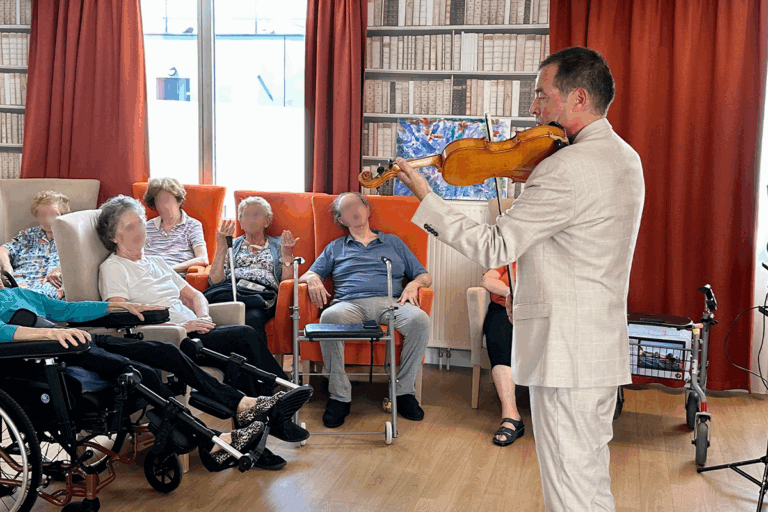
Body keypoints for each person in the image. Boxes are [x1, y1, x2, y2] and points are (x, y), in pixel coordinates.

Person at [397, 47, 645, 511]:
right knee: (589, 480)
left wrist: (426, 198)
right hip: (598, 347)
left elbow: (496, 246)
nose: (533, 109)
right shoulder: (626, 157)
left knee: (569, 491)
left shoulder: (565, 167)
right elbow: (580, 251)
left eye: (541, 95)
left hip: (564, 352)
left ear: (578, 98)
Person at [0, 283, 301, 471]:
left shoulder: (16, 294)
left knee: (164, 353)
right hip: (48, 354)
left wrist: (119, 306)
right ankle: (212, 440)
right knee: (140, 373)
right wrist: (40, 332)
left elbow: (66, 308)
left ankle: (244, 403)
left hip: (77, 340)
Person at [94, 195, 309, 444]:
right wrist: (181, 326)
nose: (139, 231)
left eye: (140, 223)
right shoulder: (114, 268)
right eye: (129, 227)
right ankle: (280, 393)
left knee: (239, 364)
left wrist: (203, 315)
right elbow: (123, 315)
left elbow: (194, 294)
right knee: (244, 335)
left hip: (196, 330)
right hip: (171, 339)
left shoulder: (156, 261)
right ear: (113, 236)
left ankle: (256, 435)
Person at [298, 192, 432, 428]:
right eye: (347, 208)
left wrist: (414, 284)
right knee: (329, 317)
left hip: (391, 302)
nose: (355, 210)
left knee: (420, 320)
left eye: (358, 205)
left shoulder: (393, 242)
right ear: (341, 220)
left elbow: (424, 275)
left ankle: (403, 393)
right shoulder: (335, 247)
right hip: (349, 303)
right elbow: (308, 273)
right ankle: (339, 396)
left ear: (368, 210)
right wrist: (313, 280)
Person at [208, 196, 299, 344]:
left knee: (253, 318)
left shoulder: (278, 245)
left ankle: (250, 366)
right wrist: (222, 248)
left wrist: (287, 256)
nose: (250, 218)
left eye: (256, 214)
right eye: (246, 215)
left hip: (261, 297)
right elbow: (215, 281)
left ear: (267, 221)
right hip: (231, 293)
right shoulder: (232, 244)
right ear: (241, 222)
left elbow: (287, 284)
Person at [480, 265, 524, 446]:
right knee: (498, 335)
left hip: (539, 314)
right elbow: (487, 280)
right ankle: (511, 416)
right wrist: (510, 293)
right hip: (504, 309)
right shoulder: (509, 258)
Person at [0, 190, 70, 299]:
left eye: (53, 215)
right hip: (18, 283)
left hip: (47, 286)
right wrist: (7, 266)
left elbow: (83, 258)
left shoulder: (71, 236)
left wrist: (60, 269)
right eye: (42, 215)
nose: (47, 220)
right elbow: (4, 249)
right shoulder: (27, 235)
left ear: (62, 214)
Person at [142, 177, 209, 274]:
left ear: (179, 201)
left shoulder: (192, 225)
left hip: (175, 278)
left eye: (167, 200)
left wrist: (170, 269)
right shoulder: (147, 227)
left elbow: (203, 259)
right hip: (148, 276)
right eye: (159, 201)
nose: (163, 206)